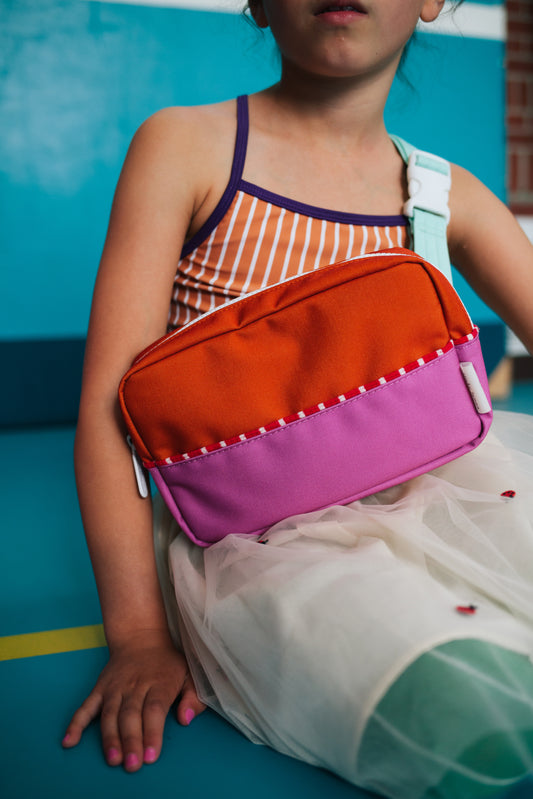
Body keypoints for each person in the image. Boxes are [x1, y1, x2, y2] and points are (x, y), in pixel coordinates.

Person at [63, 1, 533, 796]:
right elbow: (111, 412)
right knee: (459, 693)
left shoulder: (444, 193)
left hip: (449, 492)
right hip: (268, 544)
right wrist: (139, 633)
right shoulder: (187, 146)